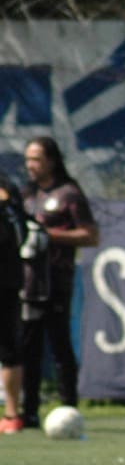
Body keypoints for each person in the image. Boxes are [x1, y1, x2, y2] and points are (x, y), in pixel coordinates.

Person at [1, 138, 97, 433]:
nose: (31, 165)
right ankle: (28, 412)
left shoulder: (69, 193)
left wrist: (49, 235)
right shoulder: (27, 196)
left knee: (59, 345)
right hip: (28, 283)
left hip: (57, 280)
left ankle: (69, 404)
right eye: (28, 159)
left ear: (51, 161)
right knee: (26, 348)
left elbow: (91, 235)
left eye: (37, 159)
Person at [0, 171, 27, 431]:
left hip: (5, 283)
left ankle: (11, 414)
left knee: (9, 347)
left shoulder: (7, 192)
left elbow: (20, 235)